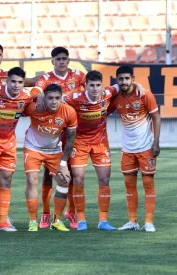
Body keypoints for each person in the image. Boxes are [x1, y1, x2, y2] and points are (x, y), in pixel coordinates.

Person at [30, 47, 86, 229]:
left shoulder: (79, 75)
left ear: (69, 60)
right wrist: (38, 96)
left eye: (65, 58)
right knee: (48, 174)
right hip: (51, 130)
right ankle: (46, 214)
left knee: (70, 173)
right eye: (58, 59)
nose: (62, 62)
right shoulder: (46, 79)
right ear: (52, 61)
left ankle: (69, 212)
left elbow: (94, 86)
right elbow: (36, 91)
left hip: (72, 128)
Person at [0, 67, 39, 233]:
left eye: (20, 82)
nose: (16, 85)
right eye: (13, 81)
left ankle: (3, 221)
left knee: (6, 182)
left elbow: (39, 92)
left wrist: (40, 95)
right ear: (6, 81)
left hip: (9, 145)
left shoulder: (26, 96)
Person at [63, 70, 118, 231]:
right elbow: (58, 98)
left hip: (100, 144)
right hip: (79, 143)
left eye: (98, 85)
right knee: (78, 180)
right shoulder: (74, 98)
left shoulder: (107, 93)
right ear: (85, 86)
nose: (95, 89)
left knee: (104, 180)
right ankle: (81, 220)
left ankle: (103, 221)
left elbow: (119, 86)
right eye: (91, 85)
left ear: (102, 86)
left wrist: (136, 86)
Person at [109, 66, 160, 232]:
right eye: (121, 79)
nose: (124, 82)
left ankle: (149, 221)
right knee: (129, 184)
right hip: (128, 148)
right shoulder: (115, 98)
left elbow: (156, 118)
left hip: (146, 147)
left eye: (127, 78)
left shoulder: (144, 94)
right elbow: (103, 108)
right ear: (117, 80)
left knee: (148, 183)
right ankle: (133, 221)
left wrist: (156, 142)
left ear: (132, 78)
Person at [23, 84, 77, 232]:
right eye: (50, 98)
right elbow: (21, 98)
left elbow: (71, 139)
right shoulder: (34, 108)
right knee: (32, 180)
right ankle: (33, 221)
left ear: (61, 98)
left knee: (65, 179)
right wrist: (37, 94)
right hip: (33, 148)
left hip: (54, 150)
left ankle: (57, 221)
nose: (54, 101)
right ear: (45, 98)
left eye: (57, 98)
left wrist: (64, 163)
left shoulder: (69, 112)